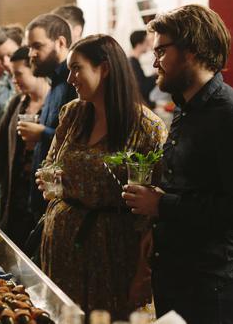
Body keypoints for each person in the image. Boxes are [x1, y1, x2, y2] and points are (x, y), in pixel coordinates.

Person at [121, 4, 233, 324]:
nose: (154, 61)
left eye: (161, 50)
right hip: (176, 275)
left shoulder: (228, 114)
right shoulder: (185, 107)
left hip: (212, 286)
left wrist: (161, 205)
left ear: (193, 50)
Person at [37, 34, 167, 319]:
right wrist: (48, 180)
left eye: (77, 68)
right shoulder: (72, 114)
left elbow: (154, 211)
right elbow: (51, 162)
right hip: (62, 244)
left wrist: (143, 274)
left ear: (104, 68)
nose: (70, 78)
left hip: (114, 252)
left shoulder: (147, 127)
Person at [0, 47, 51, 247]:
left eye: (19, 74)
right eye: (12, 75)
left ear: (35, 71)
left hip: (42, 194)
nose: (14, 80)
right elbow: (0, 150)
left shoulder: (54, 103)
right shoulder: (16, 103)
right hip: (14, 193)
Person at [23, 13, 77, 227]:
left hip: (60, 199)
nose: (32, 54)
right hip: (43, 195)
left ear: (61, 42)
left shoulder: (73, 83)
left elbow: (79, 140)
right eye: (29, 47)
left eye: (37, 46)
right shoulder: (54, 82)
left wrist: (41, 133)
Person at [129, 30, 156, 107]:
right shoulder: (133, 63)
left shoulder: (133, 61)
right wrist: (156, 75)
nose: (148, 44)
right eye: (146, 41)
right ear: (139, 43)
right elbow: (142, 89)